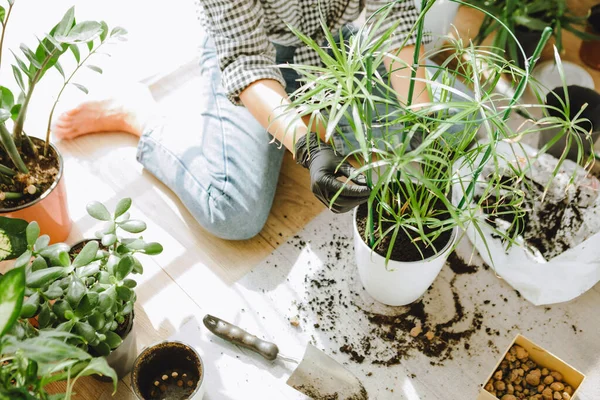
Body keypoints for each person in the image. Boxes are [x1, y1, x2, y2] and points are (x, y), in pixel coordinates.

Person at [53, 0, 431, 240]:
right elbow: (248, 60)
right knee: (233, 212)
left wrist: (427, 120)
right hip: (255, 59)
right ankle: (140, 117)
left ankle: (304, 112)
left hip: (336, 44)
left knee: (452, 127)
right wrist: (310, 149)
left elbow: (396, 21)